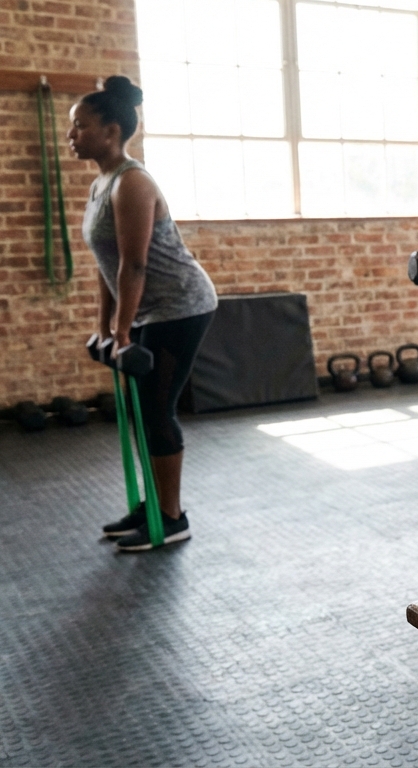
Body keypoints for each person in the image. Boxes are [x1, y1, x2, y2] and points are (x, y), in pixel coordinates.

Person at [69, 76, 218, 552]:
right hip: (148, 308)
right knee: (141, 410)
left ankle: (171, 518)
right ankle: (150, 505)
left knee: (156, 409)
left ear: (111, 131)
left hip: (180, 305)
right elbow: (109, 265)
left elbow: (134, 265)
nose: (71, 135)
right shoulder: (102, 184)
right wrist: (106, 329)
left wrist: (122, 334)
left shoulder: (132, 182)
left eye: (80, 126)